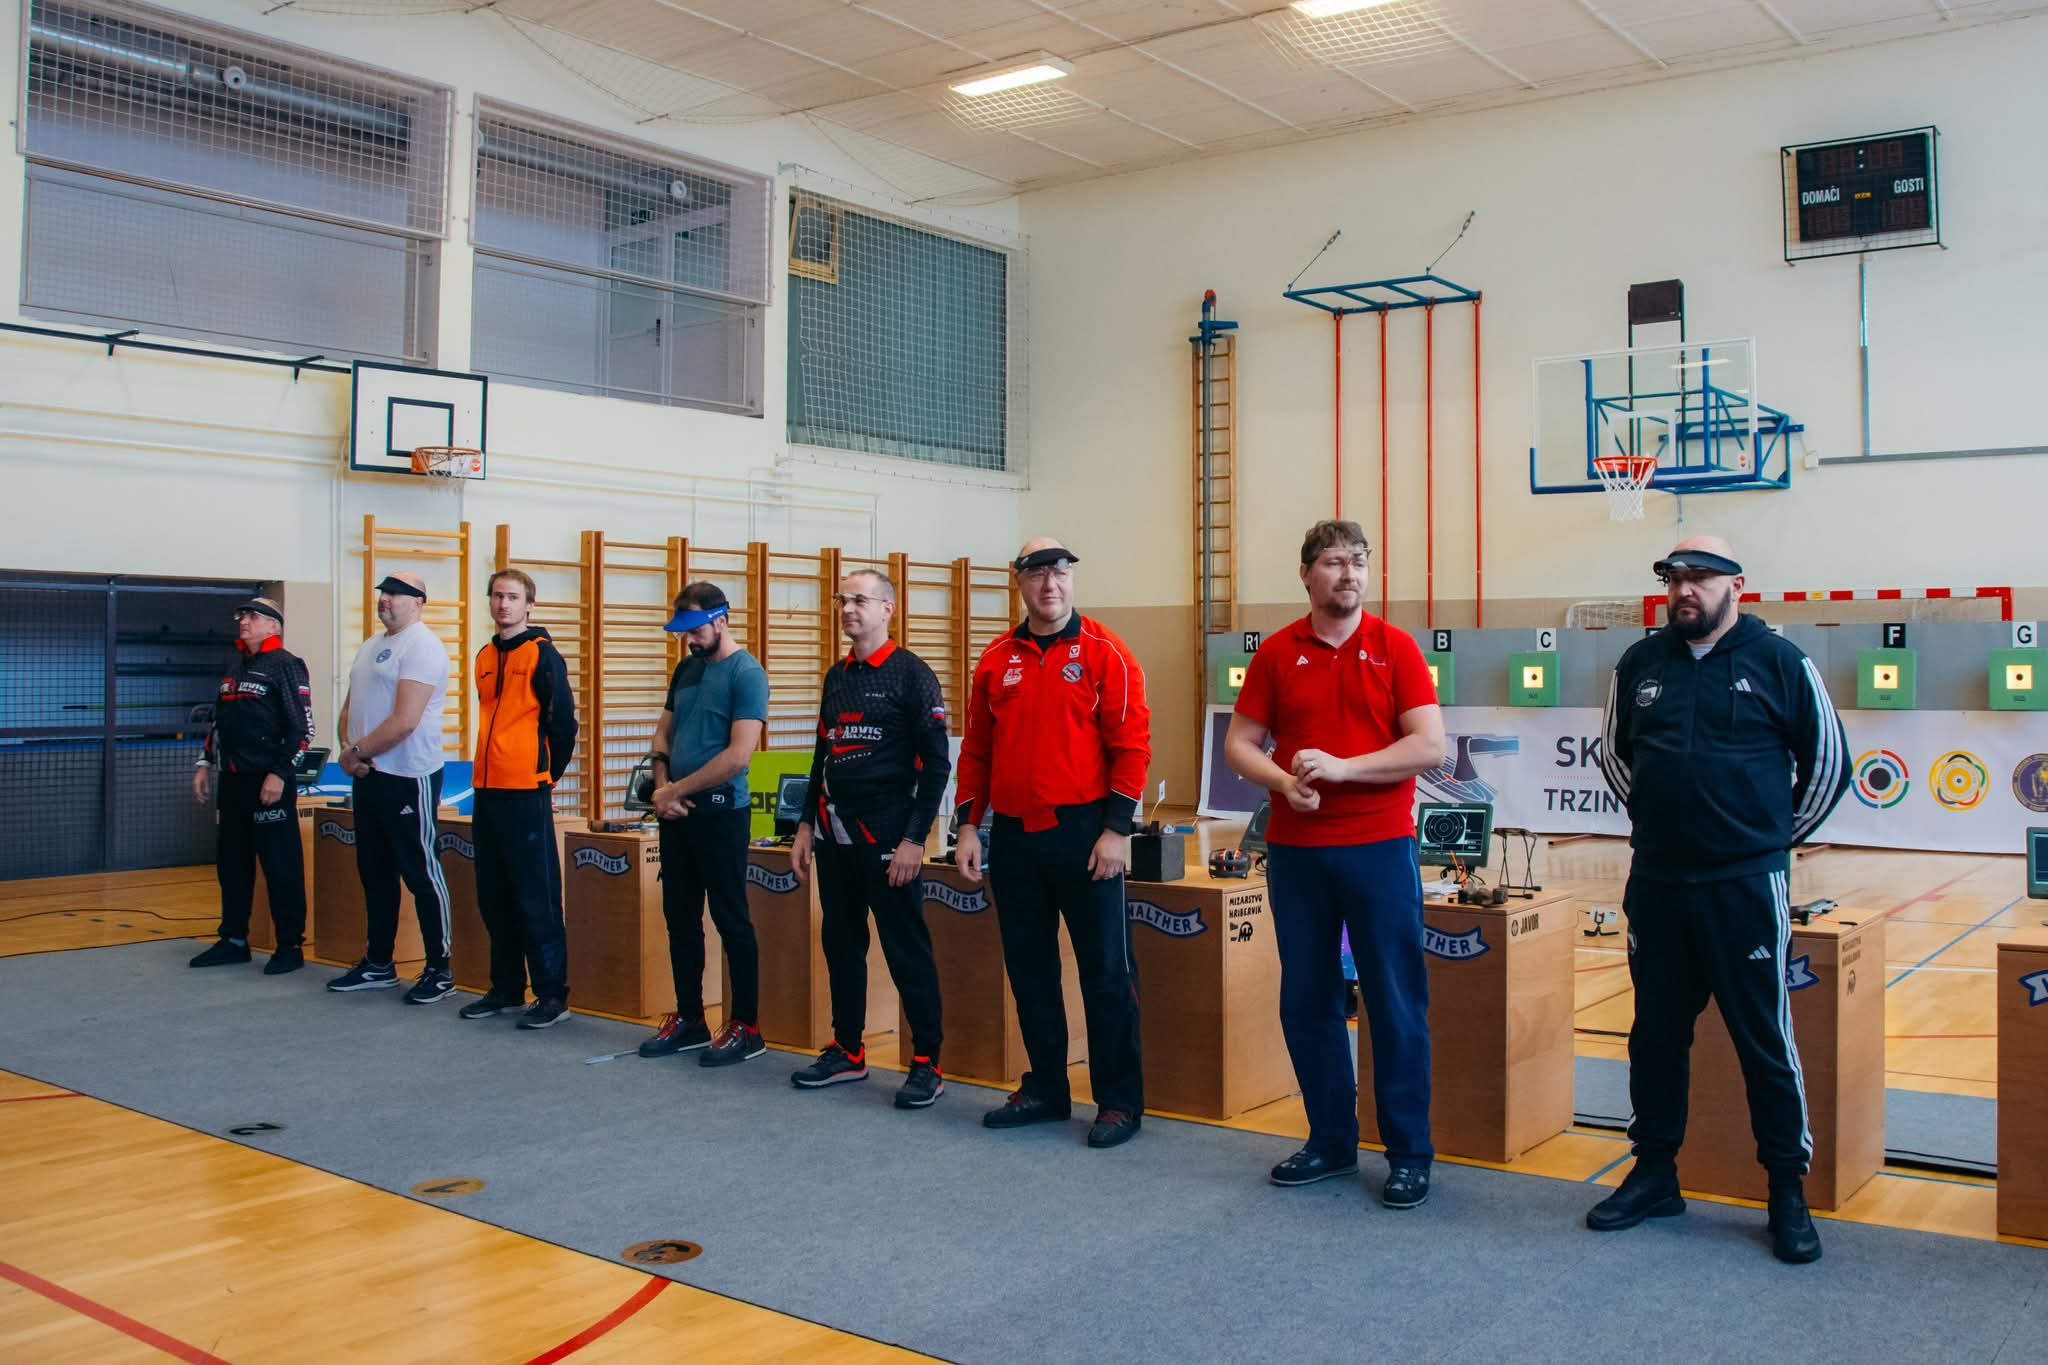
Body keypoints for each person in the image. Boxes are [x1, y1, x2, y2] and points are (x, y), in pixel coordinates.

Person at [1590, 535, 1850, 1264]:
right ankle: (1654, 1173)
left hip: (1744, 887)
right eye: (1675, 578)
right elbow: (1616, 758)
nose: (1685, 589)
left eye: (1701, 577)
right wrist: (1663, 826)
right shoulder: (1639, 664)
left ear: (1737, 585)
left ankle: (1786, 1190)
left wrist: (1763, 842)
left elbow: (1830, 766)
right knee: (1655, 1035)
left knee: (1763, 1038)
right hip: (1659, 884)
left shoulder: (1782, 662)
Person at [1224, 520, 1445, 1209]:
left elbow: (1429, 746)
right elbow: (1240, 743)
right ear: (1306, 574)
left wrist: (1345, 769)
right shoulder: (1277, 652)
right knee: (1309, 998)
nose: (1348, 573)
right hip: (1298, 854)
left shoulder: (1396, 647)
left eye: (1358, 561)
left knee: (1395, 1000)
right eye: (1332, 561)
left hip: (1380, 849)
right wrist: (1282, 782)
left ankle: (1408, 1153)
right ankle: (1330, 1140)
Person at [955, 538, 1151, 1149]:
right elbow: (977, 751)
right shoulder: (995, 660)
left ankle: (1118, 1101)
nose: (1050, 585)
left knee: (1106, 972)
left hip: (1087, 835)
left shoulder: (1107, 653)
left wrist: (1117, 830)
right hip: (1015, 838)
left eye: (1060, 573)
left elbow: (1132, 747)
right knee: (1030, 970)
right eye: (1038, 574)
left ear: (1072, 580)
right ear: (1019, 582)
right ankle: (1045, 1088)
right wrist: (968, 825)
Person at [789, 569, 951, 1108]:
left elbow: (936, 766)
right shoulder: (836, 676)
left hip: (889, 837)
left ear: (887, 609)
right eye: (843, 599)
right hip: (834, 836)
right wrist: (805, 825)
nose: (848, 608)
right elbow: (822, 755)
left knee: (906, 948)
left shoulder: (912, 674)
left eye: (860, 600)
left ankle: (927, 1061)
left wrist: (914, 839)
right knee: (841, 943)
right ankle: (848, 1049)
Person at [636, 582, 769, 1067]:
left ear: (721, 621)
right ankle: (691, 1017)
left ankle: (747, 1026)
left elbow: (738, 756)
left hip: (721, 812)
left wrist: (674, 791)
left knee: (731, 918)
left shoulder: (746, 673)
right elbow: (663, 734)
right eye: (684, 632)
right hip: (678, 814)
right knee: (680, 916)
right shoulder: (686, 669)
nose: (689, 640)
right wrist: (663, 787)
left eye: (696, 630)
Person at [457, 569, 578, 1030]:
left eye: (512, 597)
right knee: (494, 896)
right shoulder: (485, 656)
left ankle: (552, 994)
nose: (503, 604)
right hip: (486, 791)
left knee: (536, 897)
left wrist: (545, 776)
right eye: (497, 596)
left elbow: (563, 725)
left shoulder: (543, 655)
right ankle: (506, 987)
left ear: (529, 604)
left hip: (526, 792)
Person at [327, 572, 456, 1004]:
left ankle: (440, 969)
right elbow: (351, 708)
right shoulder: (371, 645)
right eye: (383, 593)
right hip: (370, 775)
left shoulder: (422, 646)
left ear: (418, 601)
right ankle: (379, 963)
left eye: (396, 594)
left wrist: (356, 753)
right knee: (375, 871)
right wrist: (350, 749)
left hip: (407, 776)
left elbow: (404, 722)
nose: (385, 599)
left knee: (421, 872)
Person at [188, 596, 316, 975]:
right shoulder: (235, 666)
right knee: (232, 865)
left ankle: (290, 946)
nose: (244, 621)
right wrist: (204, 762)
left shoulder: (287, 665)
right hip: (232, 782)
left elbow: (303, 730)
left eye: (253, 616)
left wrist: (279, 773)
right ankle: (233, 940)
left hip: (268, 784)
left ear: (273, 626)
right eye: (242, 615)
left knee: (280, 866)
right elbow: (219, 722)